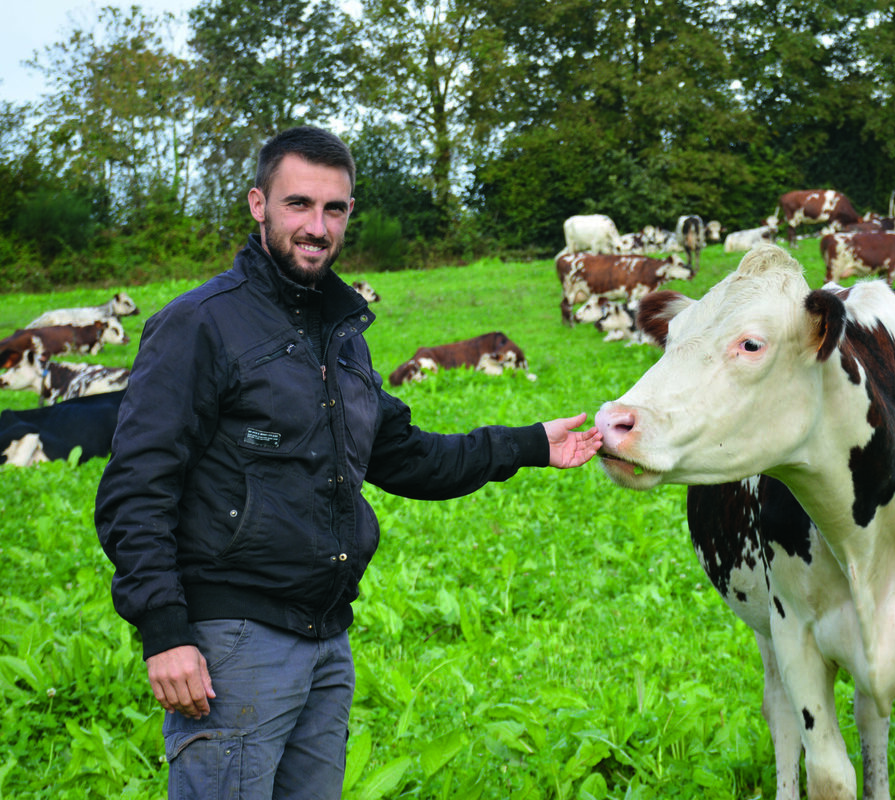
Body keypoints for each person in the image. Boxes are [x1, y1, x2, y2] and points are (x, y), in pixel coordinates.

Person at [95, 125, 602, 799]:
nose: (316, 226)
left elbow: (408, 456)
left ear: (349, 215)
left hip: (326, 641)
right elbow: (137, 484)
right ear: (258, 204)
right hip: (232, 645)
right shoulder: (201, 324)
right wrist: (163, 629)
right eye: (298, 204)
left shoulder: (339, 337)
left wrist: (531, 444)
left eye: (334, 209)